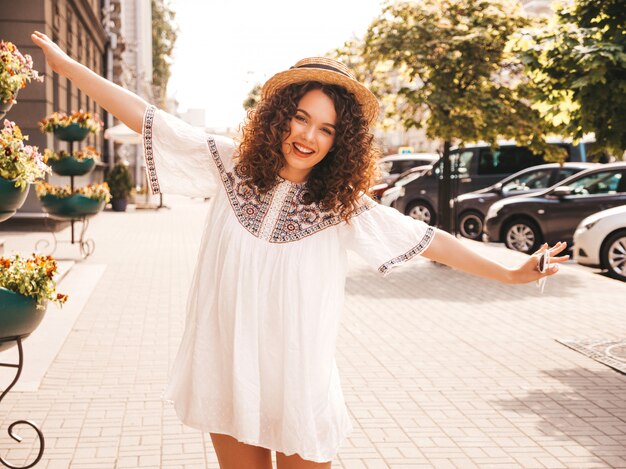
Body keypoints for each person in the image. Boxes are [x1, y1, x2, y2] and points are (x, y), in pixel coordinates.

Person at [32, 31, 568, 469]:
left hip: (297, 383)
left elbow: (428, 240)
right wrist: (66, 65)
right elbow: (145, 116)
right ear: (279, 115)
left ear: (342, 141)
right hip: (225, 370)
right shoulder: (228, 166)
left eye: (327, 129)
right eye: (301, 118)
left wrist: (508, 272)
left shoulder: (340, 206)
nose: (309, 136)